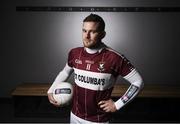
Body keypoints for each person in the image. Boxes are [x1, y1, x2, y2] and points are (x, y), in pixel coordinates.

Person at [47, 13, 144, 123]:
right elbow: (65, 72)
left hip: (99, 120)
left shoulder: (114, 58)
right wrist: (51, 90)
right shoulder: (74, 53)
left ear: (102, 34)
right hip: (75, 115)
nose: (86, 36)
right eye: (84, 31)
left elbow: (138, 81)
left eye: (92, 32)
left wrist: (117, 104)